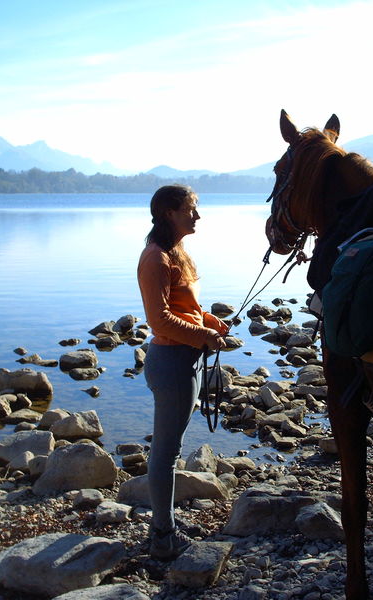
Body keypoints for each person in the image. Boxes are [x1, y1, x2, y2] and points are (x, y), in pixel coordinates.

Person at [137, 184, 228, 560]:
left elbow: (185, 307)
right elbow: (159, 320)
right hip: (172, 362)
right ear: (170, 213)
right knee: (166, 451)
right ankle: (162, 535)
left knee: (170, 449)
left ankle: (166, 521)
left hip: (184, 360)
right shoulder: (155, 258)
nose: (197, 214)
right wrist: (203, 335)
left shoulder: (178, 252)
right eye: (191, 208)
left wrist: (209, 321)